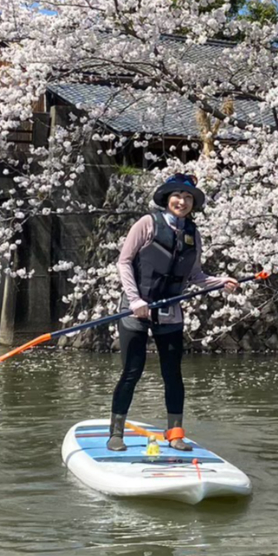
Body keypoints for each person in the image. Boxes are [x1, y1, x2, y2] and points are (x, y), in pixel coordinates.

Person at [109, 173, 238, 452]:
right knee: (132, 370)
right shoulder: (147, 224)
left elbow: (195, 276)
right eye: (177, 196)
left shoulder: (193, 233)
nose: (182, 201)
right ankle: (116, 433)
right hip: (136, 308)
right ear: (167, 199)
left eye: (188, 197)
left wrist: (221, 281)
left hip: (170, 311)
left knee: (173, 374)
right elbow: (124, 262)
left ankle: (175, 433)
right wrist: (134, 299)